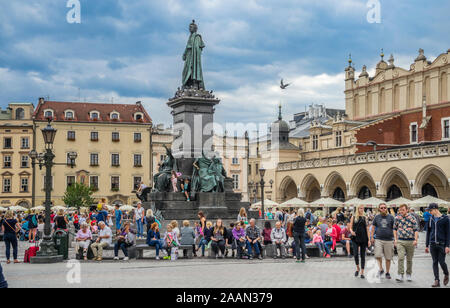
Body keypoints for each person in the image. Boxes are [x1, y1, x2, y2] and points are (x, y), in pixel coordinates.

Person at [425, 203, 449, 288]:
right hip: (432, 244)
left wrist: (447, 246)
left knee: (442, 262)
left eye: (430, 210)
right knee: (435, 262)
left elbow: (448, 233)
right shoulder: (430, 219)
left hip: (442, 244)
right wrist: (426, 245)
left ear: (435, 209)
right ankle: (436, 280)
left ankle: (446, 273)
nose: (430, 212)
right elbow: (428, 232)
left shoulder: (445, 219)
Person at [393, 204, 419, 282]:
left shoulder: (412, 218)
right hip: (400, 241)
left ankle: (408, 274)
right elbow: (394, 228)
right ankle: (400, 274)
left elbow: (416, 230)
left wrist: (415, 240)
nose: (401, 211)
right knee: (400, 257)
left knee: (409, 259)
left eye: (403, 210)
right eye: (400, 210)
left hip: (410, 241)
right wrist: (395, 239)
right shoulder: (397, 218)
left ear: (407, 210)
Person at [372, 203, 395, 280]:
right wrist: (371, 237)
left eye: (385, 208)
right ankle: (381, 269)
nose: (383, 209)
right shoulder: (376, 217)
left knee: (388, 258)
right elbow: (373, 227)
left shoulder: (391, 217)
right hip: (378, 239)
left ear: (386, 208)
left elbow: (395, 228)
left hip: (389, 240)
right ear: (379, 209)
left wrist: (396, 239)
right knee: (378, 255)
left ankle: (387, 272)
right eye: (381, 208)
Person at [350, 204, 371, 279]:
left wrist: (369, 240)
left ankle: (362, 272)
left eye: (362, 208)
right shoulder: (353, 217)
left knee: (363, 255)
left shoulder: (365, 217)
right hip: (355, 238)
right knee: (355, 254)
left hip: (363, 238)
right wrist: (351, 231)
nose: (361, 210)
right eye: (360, 208)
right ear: (357, 209)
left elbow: (368, 229)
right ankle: (357, 268)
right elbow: (350, 227)